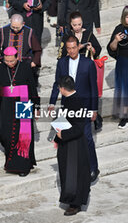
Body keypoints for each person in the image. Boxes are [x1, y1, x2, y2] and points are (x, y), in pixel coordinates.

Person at [49, 35, 99, 183]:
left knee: (87, 137)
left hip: (84, 105)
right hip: (68, 106)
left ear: (78, 47)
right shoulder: (62, 63)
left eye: (73, 48)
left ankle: (93, 167)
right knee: (69, 137)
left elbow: (93, 88)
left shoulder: (88, 63)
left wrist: (94, 109)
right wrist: (52, 102)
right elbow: (56, 83)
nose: (71, 51)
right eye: (68, 48)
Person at [0, 47, 40, 177]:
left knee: (23, 135)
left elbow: (32, 88)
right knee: (6, 133)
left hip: (23, 103)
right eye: (7, 61)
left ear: (17, 58)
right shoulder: (1, 68)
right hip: (7, 105)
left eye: (11, 61)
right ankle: (10, 160)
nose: (9, 63)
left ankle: (23, 166)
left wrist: (36, 107)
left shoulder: (25, 67)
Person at [54, 76, 91, 216]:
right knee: (68, 171)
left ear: (62, 89)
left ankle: (75, 203)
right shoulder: (70, 99)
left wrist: (63, 134)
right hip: (68, 143)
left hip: (74, 144)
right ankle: (72, 198)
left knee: (73, 173)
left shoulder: (76, 102)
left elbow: (79, 127)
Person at [0, 14, 42, 86]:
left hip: (24, 65)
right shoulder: (3, 31)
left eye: (17, 28)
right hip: (6, 65)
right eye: (13, 27)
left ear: (23, 24)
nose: (15, 29)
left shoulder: (29, 32)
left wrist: (34, 62)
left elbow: (37, 50)